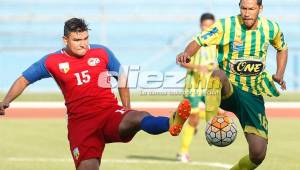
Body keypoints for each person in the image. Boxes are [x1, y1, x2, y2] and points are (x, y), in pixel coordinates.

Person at [0, 18, 191, 170]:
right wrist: (6, 101)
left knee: (137, 117)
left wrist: (125, 108)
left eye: (85, 39)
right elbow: (24, 79)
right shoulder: (52, 61)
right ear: (65, 40)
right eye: (77, 40)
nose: (83, 44)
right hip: (81, 126)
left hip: (108, 113)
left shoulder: (102, 52)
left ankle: (171, 123)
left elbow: (121, 78)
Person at [176, 0, 288, 169]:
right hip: (229, 89)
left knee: (258, 153)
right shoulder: (226, 26)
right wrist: (187, 53)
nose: (247, 13)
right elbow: (198, 40)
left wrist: (279, 73)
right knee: (218, 75)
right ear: (239, 8)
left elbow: (282, 48)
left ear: (260, 8)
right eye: (243, 8)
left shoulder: (272, 28)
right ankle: (211, 122)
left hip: (252, 94)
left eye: (251, 9)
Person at [176, 13, 226, 162]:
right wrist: (197, 67)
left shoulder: (218, 45)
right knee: (194, 118)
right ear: (200, 25)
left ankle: (184, 118)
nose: (207, 28)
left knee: (220, 116)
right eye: (205, 25)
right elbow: (182, 61)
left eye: (210, 26)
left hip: (210, 87)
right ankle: (183, 153)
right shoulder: (195, 43)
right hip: (193, 87)